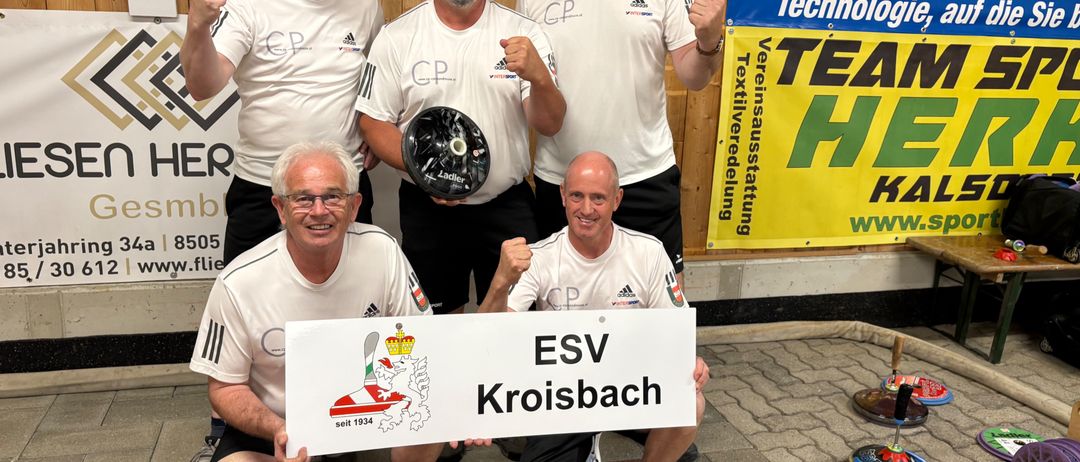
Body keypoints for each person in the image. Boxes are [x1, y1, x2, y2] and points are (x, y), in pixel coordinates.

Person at [188, 141, 444, 462]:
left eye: (333, 196)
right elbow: (224, 388)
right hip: (279, 423)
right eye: (303, 199)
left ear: (354, 206)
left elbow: (424, 344)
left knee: (431, 433)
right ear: (280, 208)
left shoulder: (383, 252)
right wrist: (279, 429)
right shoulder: (238, 282)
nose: (319, 211)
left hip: (368, 414)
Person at [479, 152, 709, 462]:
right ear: (562, 195)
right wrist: (499, 283)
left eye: (598, 198)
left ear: (617, 199)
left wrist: (690, 362)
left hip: (630, 387)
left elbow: (677, 332)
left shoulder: (648, 252)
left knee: (690, 402)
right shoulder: (539, 258)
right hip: (564, 396)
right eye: (577, 195)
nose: (586, 209)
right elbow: (487, 339)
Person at [355, 0, 566, 316]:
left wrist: (539, 79)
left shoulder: (523, 32)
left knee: (514, 325)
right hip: (427, 209)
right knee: (436, 325)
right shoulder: (397, 36)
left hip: (505, 206)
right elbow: (372, 122)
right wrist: (428, 175)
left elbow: (550, 123)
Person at [516, 0, 727, 283]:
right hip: (564, 184)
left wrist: (709, 40)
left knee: (664, 315)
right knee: (561, 307)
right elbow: (528, 79)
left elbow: (694, 76)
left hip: (644, 175)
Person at [180, 0, 384, 265]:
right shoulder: (246, 5)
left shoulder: (365, 6)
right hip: (263, 183)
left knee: (352, 287)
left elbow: (381, 74)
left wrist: (375, 127)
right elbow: (203, 87)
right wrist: (198, 25)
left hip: (342, 184)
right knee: (249, 291)